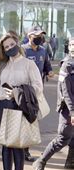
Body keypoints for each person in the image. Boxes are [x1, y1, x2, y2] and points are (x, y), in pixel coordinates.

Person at [0, 32, 43, 170]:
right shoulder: (3, 65)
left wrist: (17, 92)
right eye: (6, 47)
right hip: (3, 106)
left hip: (19, 107)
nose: (9, 48)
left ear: (17, 44)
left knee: (17, 145)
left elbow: (37, 87)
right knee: (6, 143)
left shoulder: (28, 64)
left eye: (11, 45)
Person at [32, 37, 74, 170]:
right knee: (63, 137)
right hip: (68, 108)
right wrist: (73, 112)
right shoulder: (67, 65)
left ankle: (70, 161)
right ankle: (41, 161)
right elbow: (66, 92)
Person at [22, 25, 54, 162]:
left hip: (36, 92)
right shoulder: (22, 50)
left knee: (32, 119)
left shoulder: (43, 50)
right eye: (36, 36)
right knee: (22, 119)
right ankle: (18, 149)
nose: (39, 39)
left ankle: (25, 150)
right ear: (29, 36)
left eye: (41, 36)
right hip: (23, 91)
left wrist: (50, 72)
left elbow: (47, 66)